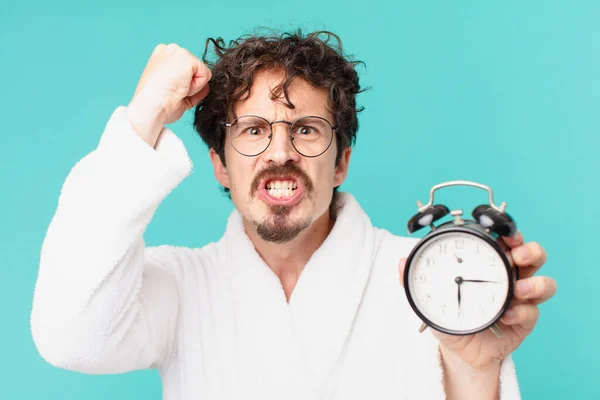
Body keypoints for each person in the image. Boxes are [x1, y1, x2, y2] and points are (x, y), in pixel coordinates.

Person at [30, 31, 556, 400]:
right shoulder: (181, 286)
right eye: (253, 130)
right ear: (219, 164)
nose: (279, 153)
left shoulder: (430, 281)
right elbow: (70, 336)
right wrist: (144, 113)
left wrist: (474, 368)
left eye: (306, 129)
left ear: (341, 162)